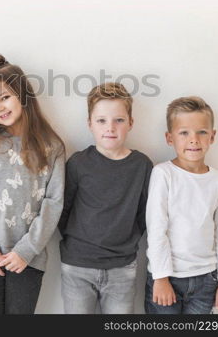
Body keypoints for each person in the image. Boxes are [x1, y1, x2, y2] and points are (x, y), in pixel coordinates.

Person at [0, 53, 65, 314]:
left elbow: (54, 202)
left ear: (23, 95)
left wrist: (26, 250)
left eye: (5, 98)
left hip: (27, 258)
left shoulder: (51, 147)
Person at [58, 82, 153, 314]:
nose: (110, 127)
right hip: (77, 265)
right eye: (101, 120)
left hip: (122, 267)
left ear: (131, 123)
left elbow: (145, 214)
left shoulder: (142, 166)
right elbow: (63, 210)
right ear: (90, 124)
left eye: (119, 120)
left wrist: (125, 241)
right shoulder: (78, 163)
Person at [145, 96, 218, 314]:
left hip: (206, 281)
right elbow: (157, 229)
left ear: (212, 136)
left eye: (202, 132)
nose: (193, 140)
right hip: (167, 279)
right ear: (170, 138)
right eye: (184, 133)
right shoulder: (163, 174)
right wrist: (160, 277)